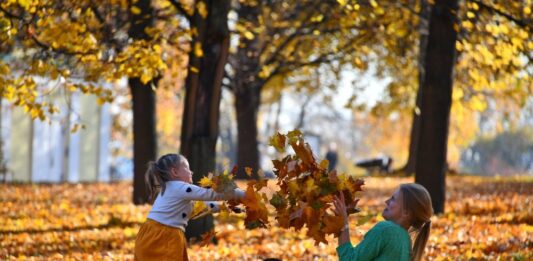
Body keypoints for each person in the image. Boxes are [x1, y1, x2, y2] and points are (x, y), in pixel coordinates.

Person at [134, 153, 244, 261]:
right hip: (163, 236)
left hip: (151, 235)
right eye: (187, 168)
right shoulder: (179, 187)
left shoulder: (171, 191)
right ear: (175, 172)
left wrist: (225, 207)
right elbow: (210, 194)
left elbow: (203, 206)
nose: (191, 172)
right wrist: (241, 194)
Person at [333, 183, 433, 261]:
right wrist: (343, 218)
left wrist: (343, 220)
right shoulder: (406, 240)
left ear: (406, 212)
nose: (387, 201)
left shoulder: (385, 230)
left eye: (393, 199)